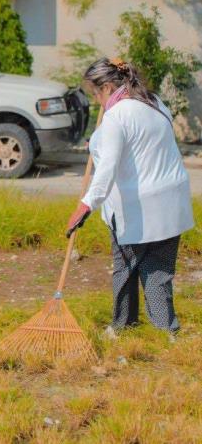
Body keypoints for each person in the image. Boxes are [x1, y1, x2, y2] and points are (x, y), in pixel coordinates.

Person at [66, 57, 194, 337]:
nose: (97, 100)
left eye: (97, 93)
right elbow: (141, 145)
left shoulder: (116, 116)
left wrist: (86, 204)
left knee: (125, 267)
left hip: (137, 206)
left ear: (109, 87)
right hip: (171, 202)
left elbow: (108, 168)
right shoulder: (154, 102)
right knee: (158, 272)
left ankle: (122, 326)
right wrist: (97, 142)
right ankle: (166, 332)